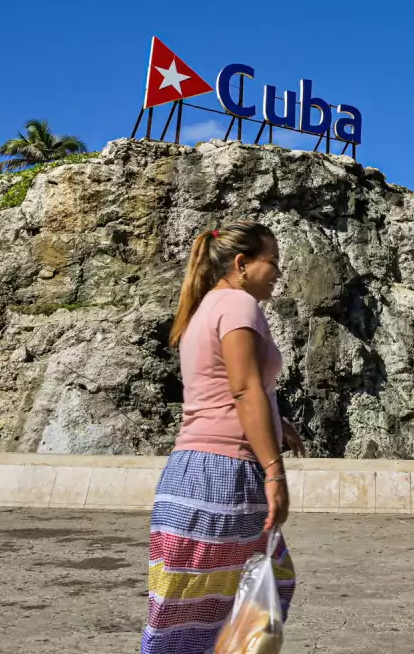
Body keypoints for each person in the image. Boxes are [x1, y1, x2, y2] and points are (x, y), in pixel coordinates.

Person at [141, 220, 306, 654]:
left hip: (195, 472)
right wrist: (275, 473)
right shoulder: (238, 305)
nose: (278, 272)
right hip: (225, 475)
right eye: (272, 262)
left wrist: (276, 423)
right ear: (241, 263)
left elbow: (227, 389)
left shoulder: (208, 307)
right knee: (220, 609)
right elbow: (243, 388)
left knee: (197, 610)